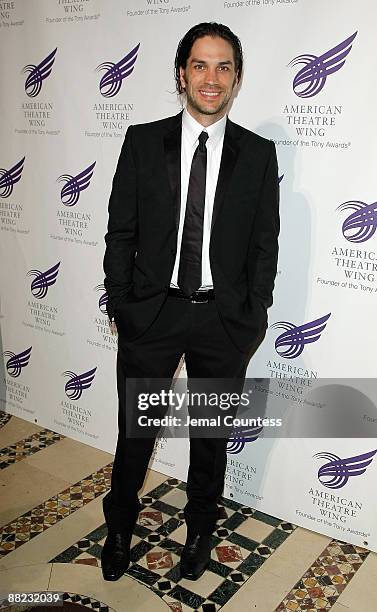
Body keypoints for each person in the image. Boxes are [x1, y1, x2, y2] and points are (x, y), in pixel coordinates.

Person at [101, 22, 280, 582]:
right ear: (182, 73)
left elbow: (263, 244)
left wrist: (251, 314)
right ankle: (120, 527)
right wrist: (123, 306)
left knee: (209, 440)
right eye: (200, 65)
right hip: (152, 316)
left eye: (224, 67)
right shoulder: (141, 141)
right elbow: (119, 235)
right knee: (136, 435)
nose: (211, 78)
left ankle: (201, 529)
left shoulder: (256, 154)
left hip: (222, 323)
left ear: (237, 79)